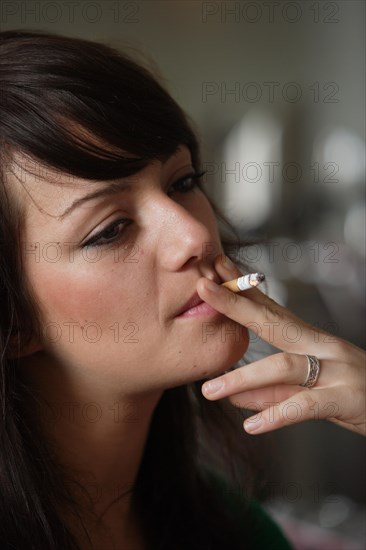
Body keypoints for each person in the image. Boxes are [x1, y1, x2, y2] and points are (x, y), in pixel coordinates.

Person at [0, 30, 364, 550]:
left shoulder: (235, 530)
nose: (195, 235)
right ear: (12, 323)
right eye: (111, 229)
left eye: (183, 182)